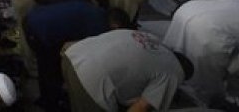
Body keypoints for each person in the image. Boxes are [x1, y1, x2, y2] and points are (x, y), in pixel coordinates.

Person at [62, 29, 192, 112]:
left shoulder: (152, 39)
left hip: (74, 52)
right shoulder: (174, 72)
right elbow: (141, 107)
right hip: (91, 78)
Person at [163, 0, 239, 107]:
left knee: (175, 54)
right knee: (205, 79)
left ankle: (168, 87)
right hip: (209, 28)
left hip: (188, 9)